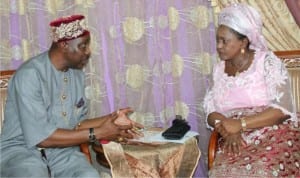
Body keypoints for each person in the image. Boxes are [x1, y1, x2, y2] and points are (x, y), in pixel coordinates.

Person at [0, 14, 143, 177]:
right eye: (83, 46)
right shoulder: (29, 75)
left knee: (89, 175)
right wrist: (100, 132)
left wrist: (112, 120)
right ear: (64, 45)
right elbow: (42, 138)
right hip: (21, 152)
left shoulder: (76, 74)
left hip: (61, 153)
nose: (88, 52)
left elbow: (77, 124)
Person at [203, 3, 300, 177]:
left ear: (243, 41)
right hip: (234, 138)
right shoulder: (218, 69)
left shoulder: (267, 62)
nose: (218, 46)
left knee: (262, 171)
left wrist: (240, 124)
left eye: (224, 41)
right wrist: (226, 128)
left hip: (272, 133)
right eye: (217, 40)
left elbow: (282, 110)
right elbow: (211, 111)